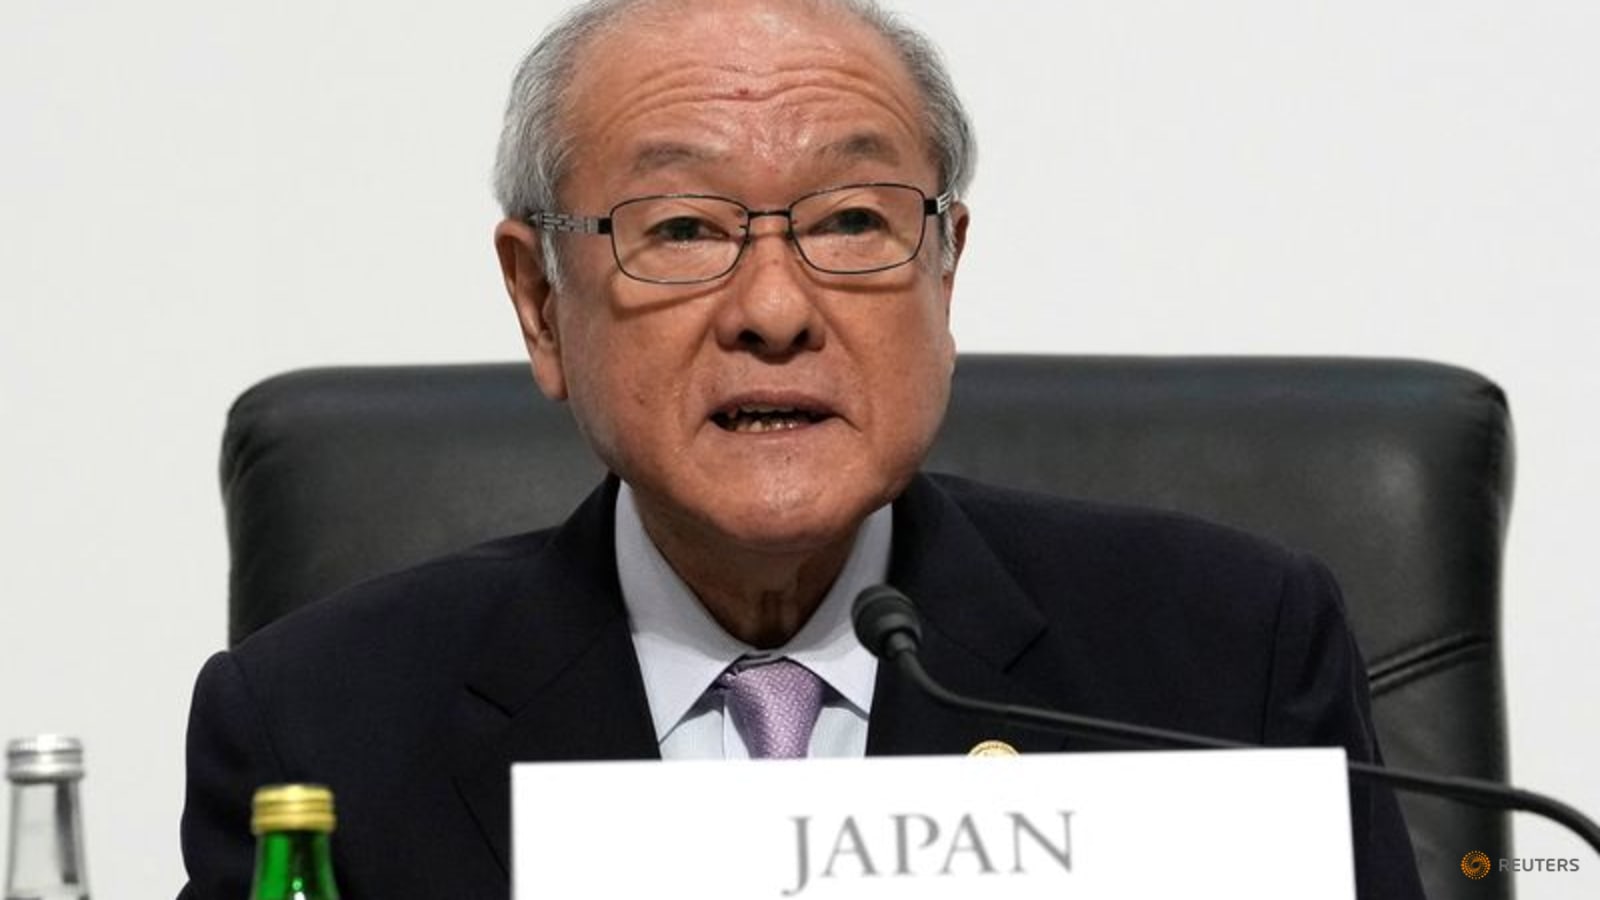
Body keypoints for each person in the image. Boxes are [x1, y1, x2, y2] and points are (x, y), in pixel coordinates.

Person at [177, 0, 1424, 897]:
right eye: (680, 226)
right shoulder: (317, 726)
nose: (774, 310)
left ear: (944, 274)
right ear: (540, 303)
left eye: (849, 220)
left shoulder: (1223, 661)